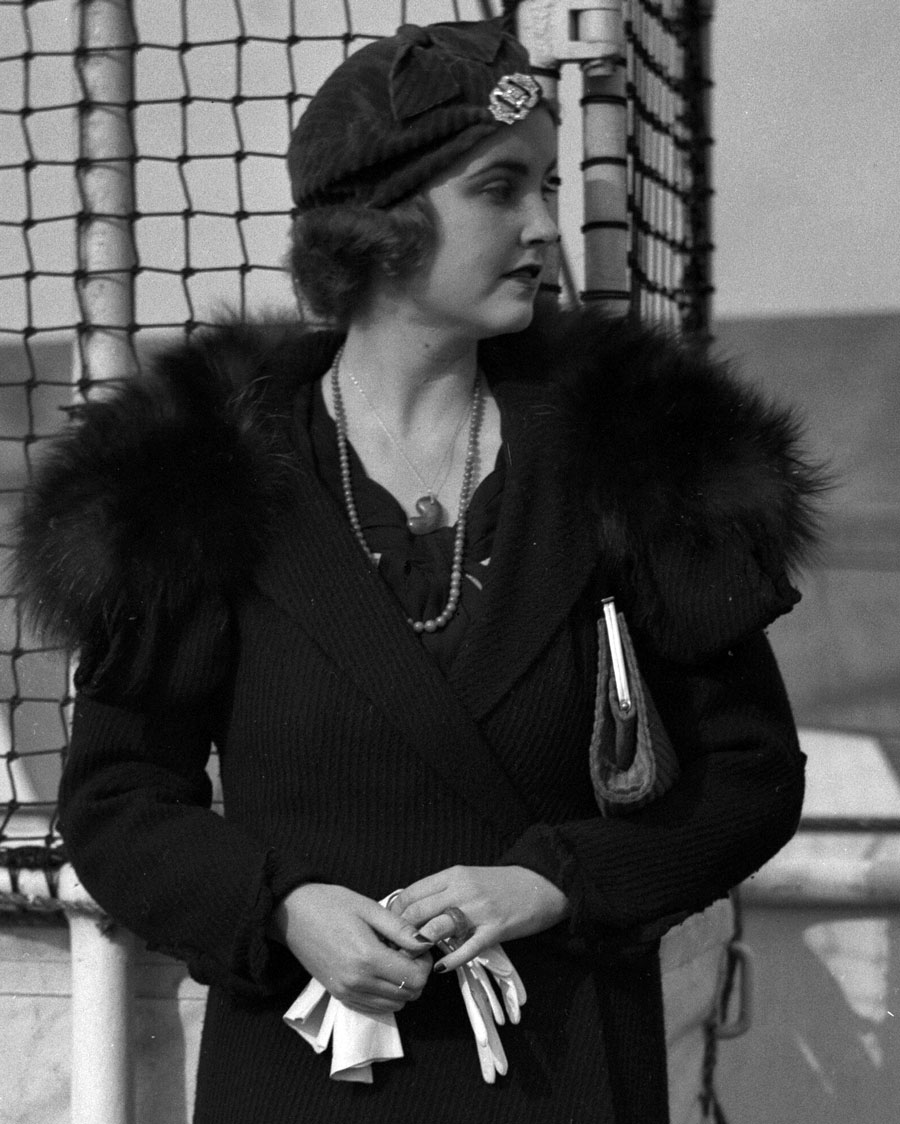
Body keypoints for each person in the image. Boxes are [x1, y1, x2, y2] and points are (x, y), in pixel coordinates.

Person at [14, 17, 819, 1124]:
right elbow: (116, 799)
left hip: (569, 1076)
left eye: (546, 186)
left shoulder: (634, 456)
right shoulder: (205, 473)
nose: (545, 225)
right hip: (300, 1078)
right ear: (376, 226)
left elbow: (750, 777)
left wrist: (555, 881)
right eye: (501, 188)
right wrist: (283, 906)